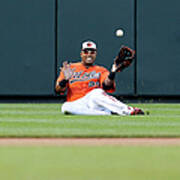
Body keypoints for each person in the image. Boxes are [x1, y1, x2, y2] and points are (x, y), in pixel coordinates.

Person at [55, 40, 144, 115]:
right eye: (86, 51)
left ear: (96, 54)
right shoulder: (70, 68)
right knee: (65, 107)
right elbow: (58, 90)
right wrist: (65, 80)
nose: (89, 54)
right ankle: (107, 113)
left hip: (94, 102)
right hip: (77, 104)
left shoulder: (101, 70)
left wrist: (113, 72)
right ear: (81, 54)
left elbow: (107, 86)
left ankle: (129, 110)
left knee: (96, 92)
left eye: (92, 52)